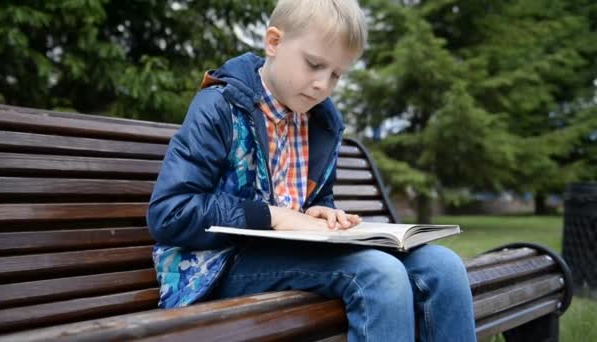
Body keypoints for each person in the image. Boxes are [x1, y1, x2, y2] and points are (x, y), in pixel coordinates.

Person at [147, 0, 476, 341]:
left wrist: (323, 213)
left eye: (336, 74)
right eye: (314, 64)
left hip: (293, 257)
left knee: (443, 267)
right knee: (381, 275)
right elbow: (170, 214)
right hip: (217, 267)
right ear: (274, 42)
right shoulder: (220, 107)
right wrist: (272, 215)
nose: (323, 85)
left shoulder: (320, 121)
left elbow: (313, 200)